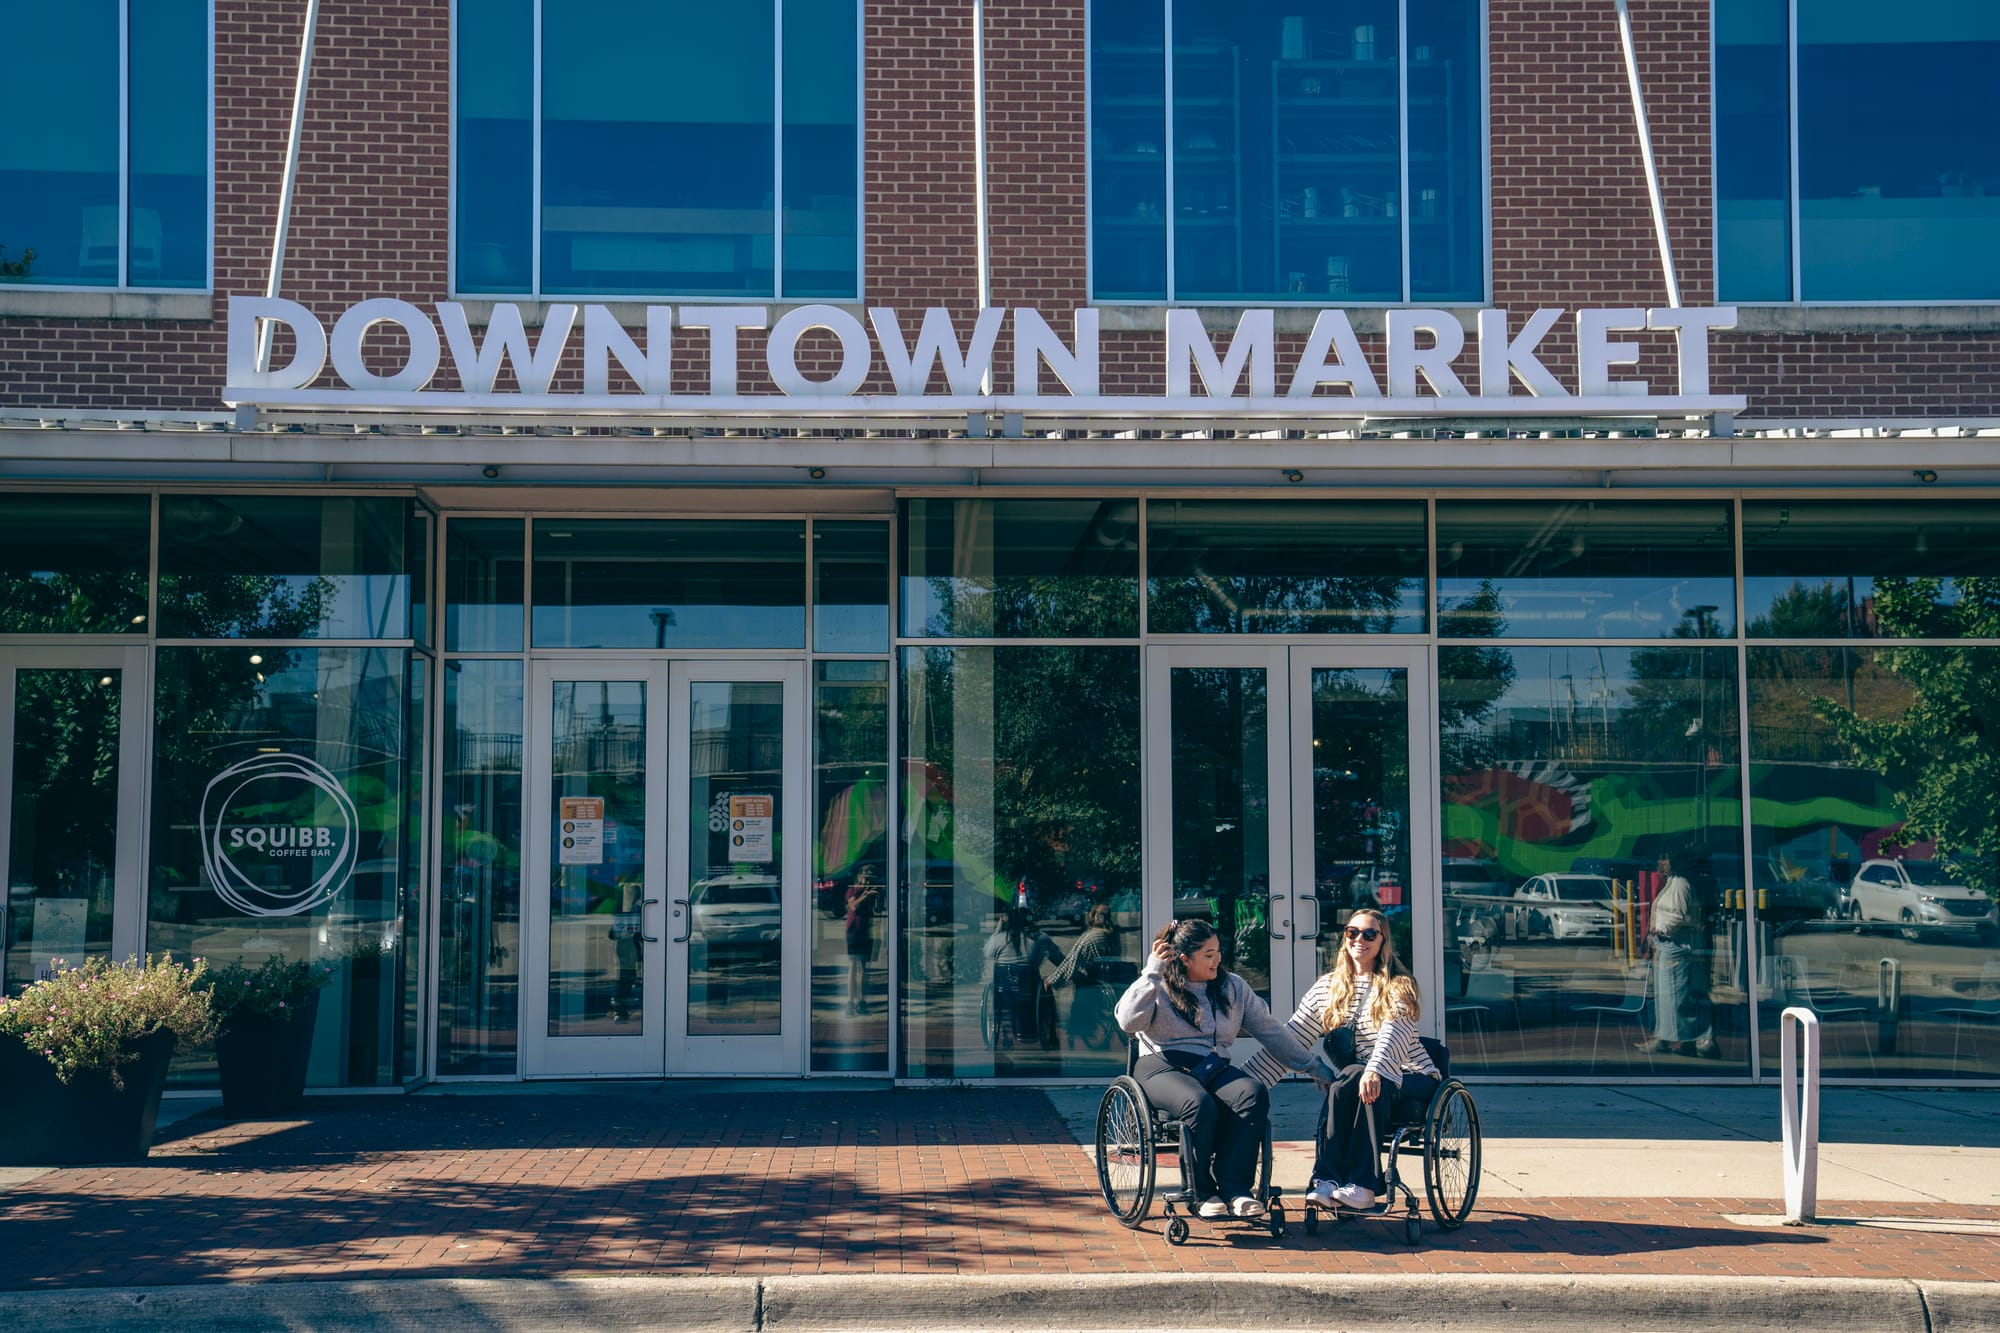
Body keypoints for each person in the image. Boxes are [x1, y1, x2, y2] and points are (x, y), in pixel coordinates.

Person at [1115, 918, 1314, 1220]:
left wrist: (1312, 1066)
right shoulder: (1158, 985)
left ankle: (1235, 1189)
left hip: (1211, 1067)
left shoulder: (1232, 987)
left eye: (1218, 951)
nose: (1217, 959)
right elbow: (1127, 1021)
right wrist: (1152, 971)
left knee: (1252, 1093)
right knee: (1198, 1103)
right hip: (1161, 1066)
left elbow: (1272, 1032)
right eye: (1208, 954)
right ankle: (1203, 1192)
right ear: (1184, 959)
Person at [1250, 908, 1439, 1212]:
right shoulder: (1328, 987)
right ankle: (1327, 1181)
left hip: (1409, 1074)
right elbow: (1292, 1036)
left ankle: (1364, 1185)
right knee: (1341, 1084)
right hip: (1358, 1077)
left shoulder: (1398, 985)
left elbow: (1393, 1032)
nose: (1359, 939)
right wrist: (1246, 1082)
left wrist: (1376, 1070)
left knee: (1357, 1080)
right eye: (1352, 932)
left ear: (1383, 941)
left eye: (1369, 934)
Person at [1642, 848, 1717, 1057]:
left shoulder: (1681, 884)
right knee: (1666, 997)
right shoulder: (1671, 883)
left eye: (1663, 859)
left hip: (1677, 946)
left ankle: (1695, 1038)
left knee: (1678, 996)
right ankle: (1666, 1036)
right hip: (1666, 945)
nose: (1660, 863)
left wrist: (1661, 929)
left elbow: (1680, 915)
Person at [984, 903, 1062, 1047]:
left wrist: (998, 928)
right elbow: (1058, 959)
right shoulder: (1040, 938)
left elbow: (987, 954)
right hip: (1029, 992)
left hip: (1003, 993)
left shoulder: (1000, 938)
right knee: (1046, 990)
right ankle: (1050, 1034)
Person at [1047, 902, 1123, 1048]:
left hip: (1094, 980)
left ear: (1094, 916)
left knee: (1079, 983)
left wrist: (1053, 981)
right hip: (1109, 977)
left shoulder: (1090, 937)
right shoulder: (1113, 935)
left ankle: (1076, 1031)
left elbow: (1071, 961)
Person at [843, 865, 882, 1015]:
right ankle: (850, 1001)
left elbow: (878, 910)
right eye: (865, 878)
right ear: (859, 877)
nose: (866, 881)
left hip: (866, 931)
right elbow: (853, 906)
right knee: (852, 966)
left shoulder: (871, 892)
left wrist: (878, 896)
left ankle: (862, 1001)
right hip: (853, 931)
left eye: (869, 879)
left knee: (864, 969)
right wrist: (865, 895)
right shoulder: (852, 889)